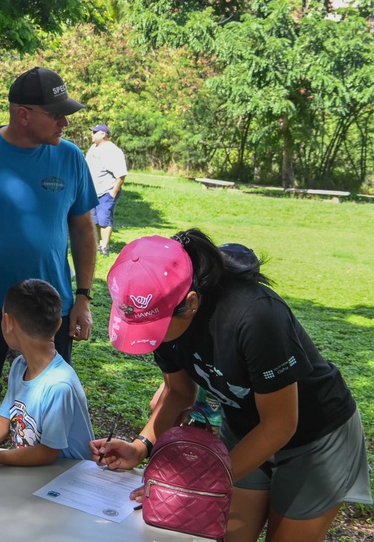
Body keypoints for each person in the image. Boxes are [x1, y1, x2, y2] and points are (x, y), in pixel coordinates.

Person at [91, 231, 372, 542]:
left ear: (191, 302)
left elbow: (280, 425)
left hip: (315, 438)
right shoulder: (159, 315)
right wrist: (140, 446)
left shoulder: (254, 315)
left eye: (156, 328)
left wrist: (197, 483)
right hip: (244, 429)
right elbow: (179, 392)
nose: (151, 338)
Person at [0, 66, 97, 441]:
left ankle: (34, 481)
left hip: (48, 305)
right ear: (22, 113)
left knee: (43, 402)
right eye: (55, 113)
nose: (64, 121)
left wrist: (83, 297)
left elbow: (82, 227)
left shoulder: (70, 157)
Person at [0, 279, 94, 470]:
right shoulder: (20, 365)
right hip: (40, 475)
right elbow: (3, 422)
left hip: (69, 483)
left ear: (8, 322)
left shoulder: (59, 385)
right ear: (59, 324)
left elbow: (46, 452)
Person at [85, 123, 127, 256]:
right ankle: (100, 243)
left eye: (94, 132)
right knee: (95, 219)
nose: (91, 135)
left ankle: (105, 246)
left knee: (104, 218)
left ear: (103, 134)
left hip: (106, 191)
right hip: (92, 191)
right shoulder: (93, 148)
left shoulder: (113, 151)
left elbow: (121, 174)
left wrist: (113, 192)